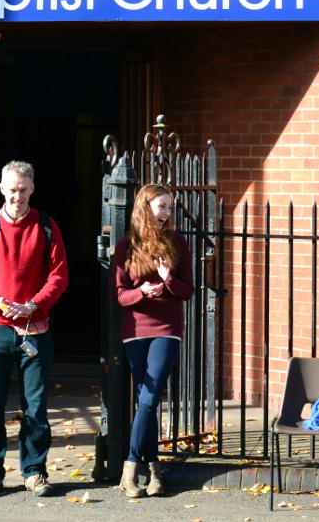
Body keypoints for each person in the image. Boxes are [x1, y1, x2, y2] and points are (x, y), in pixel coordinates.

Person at [0, 160, 69, 498]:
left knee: (35, 408)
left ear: (32, 188)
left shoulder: (47, 226)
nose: (16, 196)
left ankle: (34, 472)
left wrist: (34, 304)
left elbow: (59, 275)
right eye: (11, 189)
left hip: (35, 329)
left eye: (23, 190)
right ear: (1, 189)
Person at [112, 183, 194, 497]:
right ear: (146, 208)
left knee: (147, 399)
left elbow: (188, 291)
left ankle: (129, 469)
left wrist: (168, 279)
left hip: (167, 327)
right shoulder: (126, 246)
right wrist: (142, 291)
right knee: (145, 401)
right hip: (135, 330)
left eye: (170, 208)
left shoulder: (177, 242)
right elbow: (120, 295)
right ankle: (154, 467)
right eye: (162, 207)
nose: (167, 214)